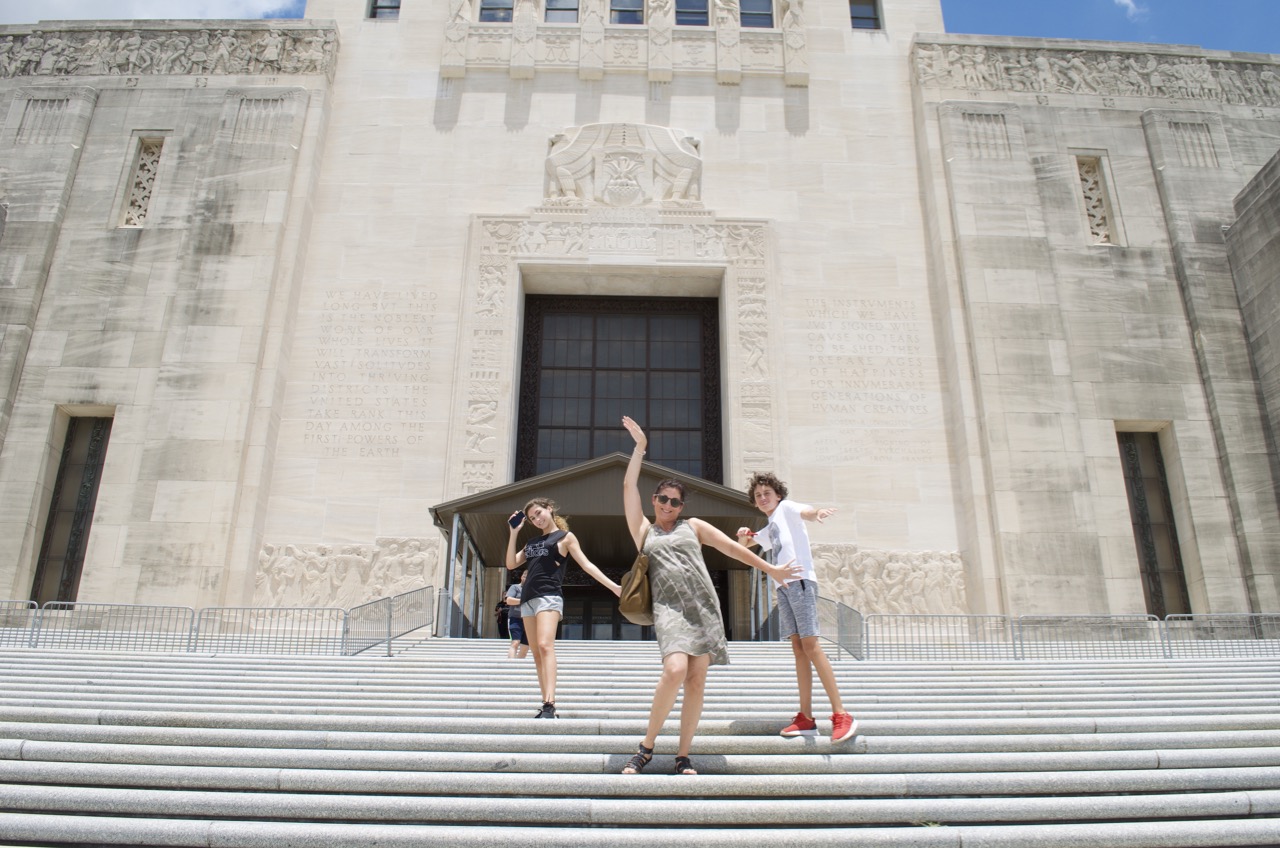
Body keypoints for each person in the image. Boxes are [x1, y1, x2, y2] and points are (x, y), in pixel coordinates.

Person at [620, 416, 802, 775]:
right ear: (654, 500)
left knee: (697, 680)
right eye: (662, 499)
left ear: (681, 505)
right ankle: (646, 746)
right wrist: (639, 448)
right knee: (674, 670)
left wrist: (773, 570)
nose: (668, 505)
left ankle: (683, 755)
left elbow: (736, 551)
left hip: (703, 608)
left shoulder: (695, 527)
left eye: (674, 501)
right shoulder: (644, 530)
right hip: (669, 610)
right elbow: (628, 487)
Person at [737, 472, 858, 743]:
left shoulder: (787, 509)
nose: (763, 497)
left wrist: (817, 514)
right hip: (785, 587)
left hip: (801, 581)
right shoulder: (769, 526)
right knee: (798, 649)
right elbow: (745, 548)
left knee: (811, 645)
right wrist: (744, 536)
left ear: (778, 495)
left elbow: (807, 512)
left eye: (767, 493)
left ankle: (841, 714)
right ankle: (805, 717)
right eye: (758, 496)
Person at [506, 498, 621, 718]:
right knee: (536, 653)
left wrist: (614, 587)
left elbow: (587, 565)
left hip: (549, 596)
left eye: (539, 513)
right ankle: (545, 703)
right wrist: (513, 532)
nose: (537, 519)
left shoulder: (565, 537)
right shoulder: (530, 543)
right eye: (532, 518)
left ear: (549, 509)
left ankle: (551, 703)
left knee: (545, 645)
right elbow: (511, 563)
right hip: (528, 600)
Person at [504, 570, 530, 659]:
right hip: (515, 619)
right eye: (525, 576)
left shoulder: (533, 590)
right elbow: (509, 600)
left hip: (529, 620)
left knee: (525, 648)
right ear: (521, 577)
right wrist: (523, 601)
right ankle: (511, 666)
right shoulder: (515, 587)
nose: (526, 578)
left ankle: (518, 667)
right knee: (515, 642)